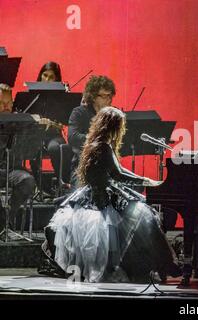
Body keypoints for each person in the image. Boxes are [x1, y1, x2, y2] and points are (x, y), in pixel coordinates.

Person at [40, 107, 180, 282]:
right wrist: (145, 180)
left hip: (95, 194)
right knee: (146, 216)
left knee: (144, 215)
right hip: (102, 198)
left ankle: (158, 264)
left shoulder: (96, 143)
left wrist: (142, 180)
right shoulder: (103, 146)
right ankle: (164, 264)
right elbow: (119, 174)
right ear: (114, 127)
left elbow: (118, 171)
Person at [68, 75, 116, 188]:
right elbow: (73, 137)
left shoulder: (113, 115)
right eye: (104, 96)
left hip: (108, 168)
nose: (109, 100)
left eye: (110, 96)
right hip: (83, 168)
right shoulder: (79, 113)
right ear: (93, 97)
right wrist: (99, 139)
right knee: (82, 195)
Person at [0, 84, 36, 230]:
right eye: (1, 103)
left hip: (12, 170)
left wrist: (33, 126)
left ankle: (9, 216)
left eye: (9, 103)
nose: (6, 107)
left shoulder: (19, 122)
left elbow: (29, 150)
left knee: (28, 180)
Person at [30, 62, 71, 189]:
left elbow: (65, 121)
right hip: (35, 136)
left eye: (51, 77)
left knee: (55, 148)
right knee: (31, 149)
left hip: (54, 135)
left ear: (57, 79)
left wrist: (54, 124)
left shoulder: (62, 97)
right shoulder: (31, 95)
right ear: (40, 76)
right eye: (45, 75)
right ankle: (40, 186)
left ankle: (62, 184)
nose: (47, 80)